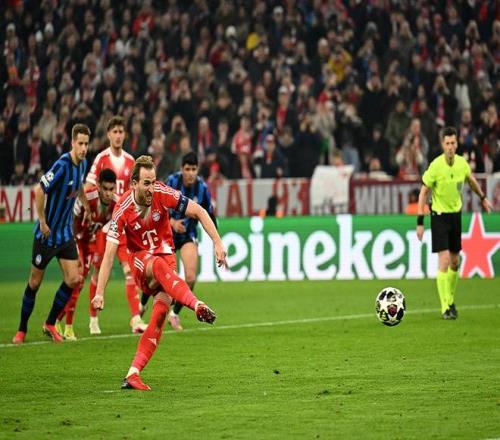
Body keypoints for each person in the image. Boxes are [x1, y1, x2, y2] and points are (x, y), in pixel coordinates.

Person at [92, 155, 227, 391]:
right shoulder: (122, 209)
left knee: (161, 313)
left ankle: (133, 373)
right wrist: (100, 292)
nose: (151, 188)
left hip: (166, 259)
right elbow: (109, 255)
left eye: (153, 182)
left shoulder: (162, 192)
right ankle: (196, 305)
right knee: (157, 264)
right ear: (134, 183)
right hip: (141, 263)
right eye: (146, 183)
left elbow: (199, 211)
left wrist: (217, 242)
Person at [12, 124, 91, 344]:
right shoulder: (62, 165)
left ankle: (50, 323)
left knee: (73, 279)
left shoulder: (83, 163)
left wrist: (85, 204)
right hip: (46, 235)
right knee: (34, 283)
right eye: (80, 143)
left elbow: (79, 185)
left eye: (86, 144)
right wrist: (42, 221)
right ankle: (21, 329)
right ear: (72, 143)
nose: (84, 148)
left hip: (65, 234)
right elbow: (39, 190)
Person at [416, 126, 492, 319]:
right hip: (439, 216)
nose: (450, 147)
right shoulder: (435, 166)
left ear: (457, 144)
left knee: (455, 263)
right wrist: (420, 221)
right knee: (444, 260)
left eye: (453, 143)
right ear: (442, 145)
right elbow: (423, 192)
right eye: (447, 143)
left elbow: (471, 180)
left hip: (455, 216)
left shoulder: (461, 164)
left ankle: (450, 300)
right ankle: (445, 308)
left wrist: (483, 198)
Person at [140, 151, 217, 331]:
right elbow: (156, 205)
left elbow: (209, 214)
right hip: (165, 235)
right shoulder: (172, 182)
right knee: (157, 277)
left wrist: (217, 242)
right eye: (187, 169)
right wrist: (173, 222)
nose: (190, 173)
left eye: (194, 169)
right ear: (182, 169)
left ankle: (174, 314)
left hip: (187, 236)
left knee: (190, 277)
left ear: (197, 170)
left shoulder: (202, 188)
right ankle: (142, 304)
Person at [85, 115, 147, 334]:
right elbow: (88, 188)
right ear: (108, 134)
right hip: (105, 227)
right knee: (98, 273)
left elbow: (137, 193)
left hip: (125, 226)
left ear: (125, 135)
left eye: (121, 132)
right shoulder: (101, 159)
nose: (118, 136)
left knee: (130, 272)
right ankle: (93, 319)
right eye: (115, 132)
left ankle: (136, 319)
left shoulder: (132, 162)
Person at [56, 168, 118, 340]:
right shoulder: (87, 198)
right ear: (98, 185)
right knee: (77, 280)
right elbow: (70, 218)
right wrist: (72, 244)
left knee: (79, 284)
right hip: (74, 239)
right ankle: (68, 328)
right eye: (105, 188)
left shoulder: (116, 204)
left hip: (89, 242)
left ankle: (55, 320)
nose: (108, 193)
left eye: (111, 189)